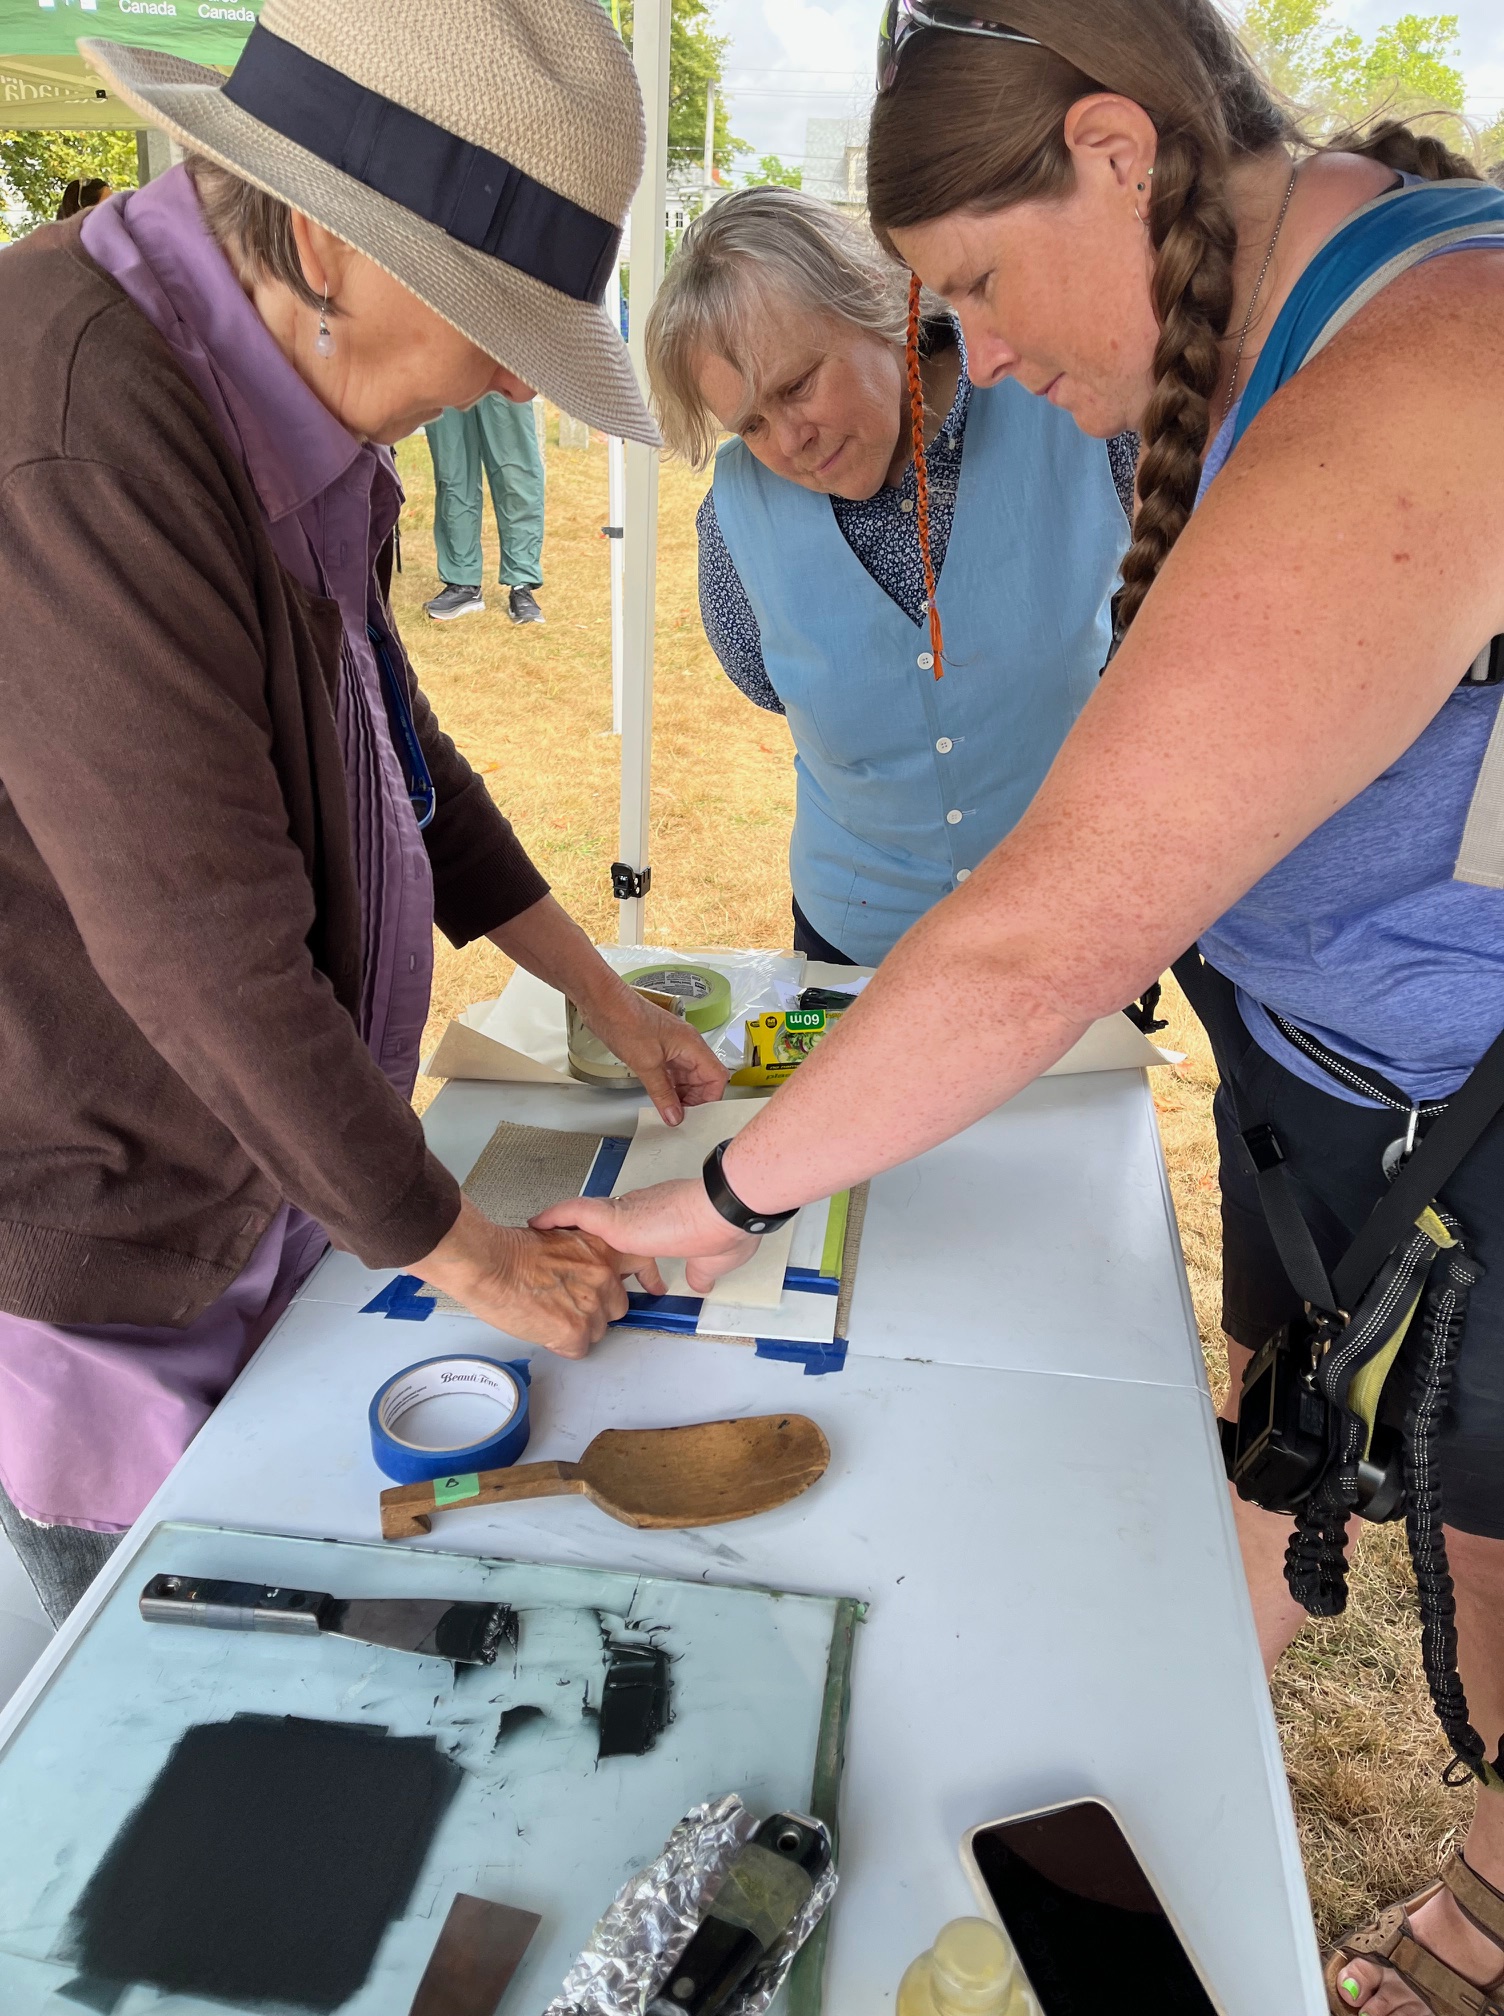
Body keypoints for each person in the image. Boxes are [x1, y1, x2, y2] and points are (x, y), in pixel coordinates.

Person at [535, 4, 1504, 2008]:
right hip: (1338, 1108)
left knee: (1474, 1514)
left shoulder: (1426, 351)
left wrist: (714, 1202)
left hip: (1455, 1134)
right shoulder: (1268, 334)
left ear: (1115, 154)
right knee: (1350, 1480)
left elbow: (1034, 934)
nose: (968, 357)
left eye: (969, 285)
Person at [0, 0, 705, 1626]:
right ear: (326, 243)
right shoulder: (86, 423)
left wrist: (599, 993)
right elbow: (200, 953)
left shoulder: (276, 386)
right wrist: (474, 1256)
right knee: (183, 1675)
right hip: (109, 1256)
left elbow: (394, 749)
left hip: (265, 1198)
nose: (508, 379)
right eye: (493, 322)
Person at [646, 186, 1134, 967]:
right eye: (752, 424)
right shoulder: (735, 518)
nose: (791, 442)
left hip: (1066, 926)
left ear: (879, 303)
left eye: (797, 386)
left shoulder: (1071, 407)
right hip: (854, 943)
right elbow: (764, 682)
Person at [423, 391, 548, 625]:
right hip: (444, 370)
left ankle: (521, 582)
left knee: (515, 472)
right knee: (452, 470)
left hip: (504, 368)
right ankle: (462, 581)